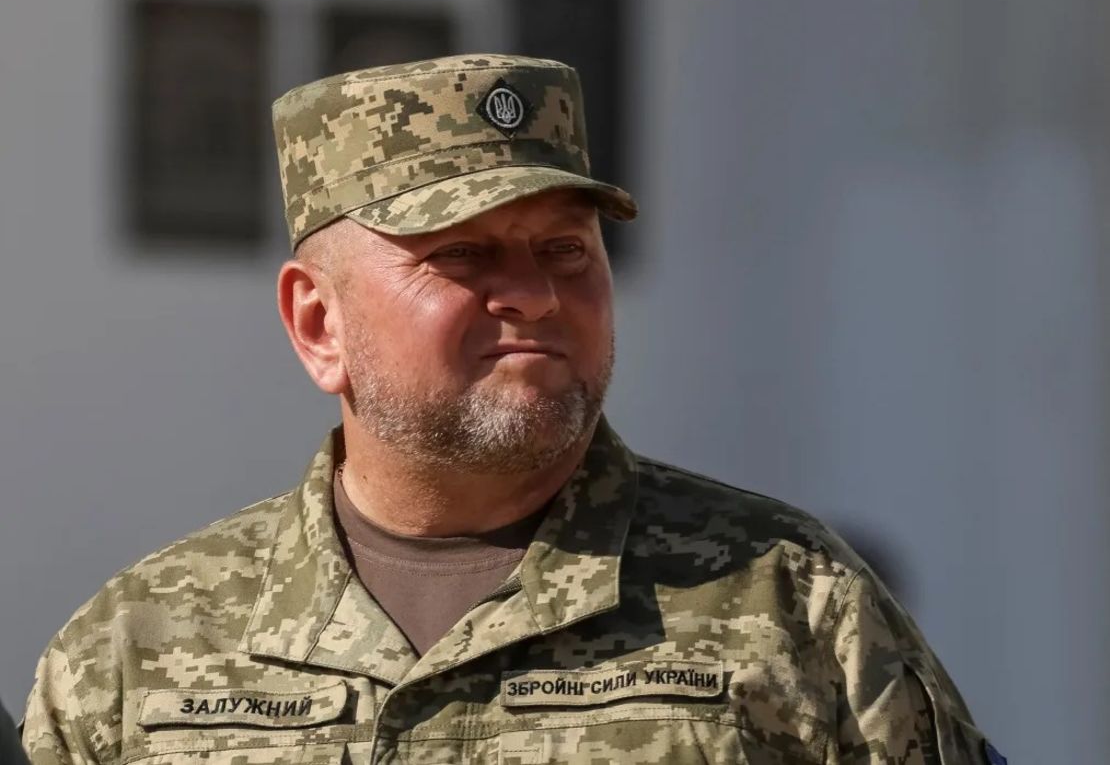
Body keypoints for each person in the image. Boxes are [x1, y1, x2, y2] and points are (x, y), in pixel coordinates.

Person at [22, 54, 1005, 764]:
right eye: (462, 256)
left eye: (566, 251)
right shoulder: (134, 656)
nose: (533, 293)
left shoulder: (794, 605)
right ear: (318, 321)